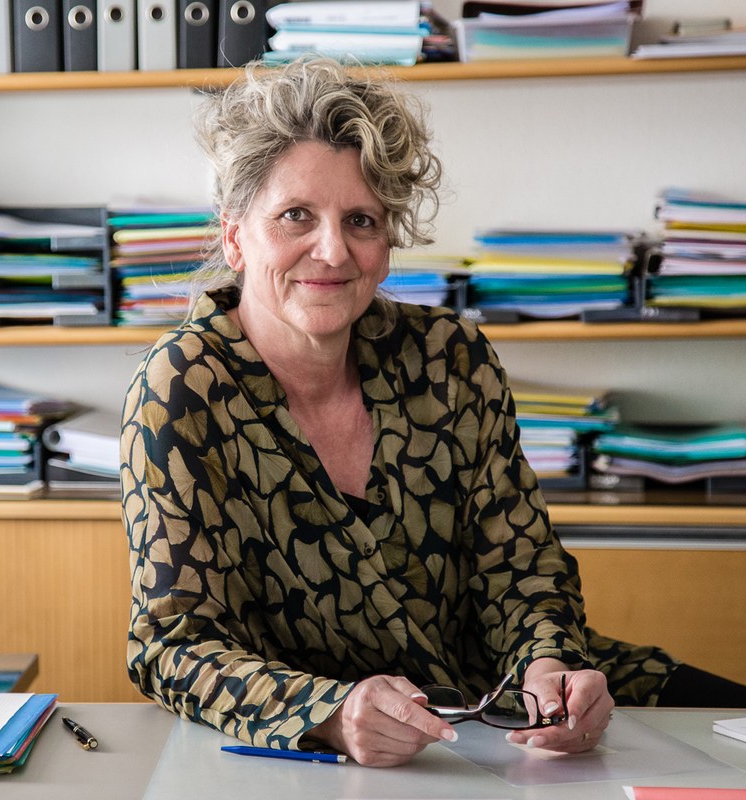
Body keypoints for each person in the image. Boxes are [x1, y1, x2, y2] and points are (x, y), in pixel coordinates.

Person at [120, 57, 745, 769]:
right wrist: (328, 713)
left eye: (361, 220)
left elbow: (522, 567)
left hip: (508, 708)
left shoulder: (451, 357)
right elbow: (172, 644)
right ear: (236, 236)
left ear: (386, 246)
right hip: (323, 750)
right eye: (296, 215)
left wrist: (549, 666)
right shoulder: (182, 387)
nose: (332, 250)